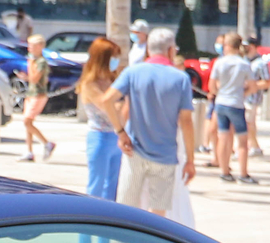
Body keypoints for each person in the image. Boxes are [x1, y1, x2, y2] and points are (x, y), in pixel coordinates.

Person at [107, 28, 196, 216]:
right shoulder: (181, 78)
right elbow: (186, 121)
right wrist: (190, 159)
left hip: (135, 151)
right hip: (166, 155)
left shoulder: (133, 72)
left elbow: (107, 100)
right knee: (158, 213)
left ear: (148, 49)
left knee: (125, 209)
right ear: (171, 50)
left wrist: (120, 132)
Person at [74, 36, 124, 206]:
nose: (116, 61)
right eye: (113, 57)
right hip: (100, 138)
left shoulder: (112, 80)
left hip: (116, 138)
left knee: (112, 188)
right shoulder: (90, 84)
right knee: (96, 188)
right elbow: (108, 106)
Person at [207, 33, 256, 183]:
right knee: (242, 140)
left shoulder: (219, 63)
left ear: (227, 46)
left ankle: (225, 171)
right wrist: (243, 94)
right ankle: (243, 173)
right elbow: (253, 87)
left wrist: (219, 93)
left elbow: (211, 86)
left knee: (223, 137)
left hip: (221, 102)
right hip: (236, 103)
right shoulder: (244, 64)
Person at [19, 34, 59, 161]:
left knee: (27, 121)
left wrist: (28, 71)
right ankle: (29, 151)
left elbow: (35, 79)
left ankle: (47, 143)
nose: (29, 48)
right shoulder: (34, 60)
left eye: (32, 46)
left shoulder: (41, 62)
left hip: (38, 95)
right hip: (30, 94)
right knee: (28, 123)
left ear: (40, 46)